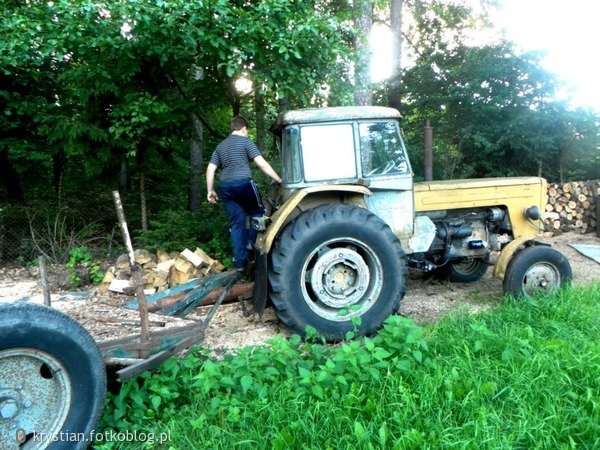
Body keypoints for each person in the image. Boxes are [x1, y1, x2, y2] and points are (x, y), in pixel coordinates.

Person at [206, 116, 282, 272]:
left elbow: (210, 169)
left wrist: (210, 190)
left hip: (226, 186)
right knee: (258, 211)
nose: (247, 133)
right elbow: (261, 163)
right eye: (247, 130)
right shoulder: (246, 142)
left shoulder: (220, 146)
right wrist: (278, 179)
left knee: (237, 221)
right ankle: (250, 242)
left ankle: (239, 263)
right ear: (243, 128)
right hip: (243, 183)